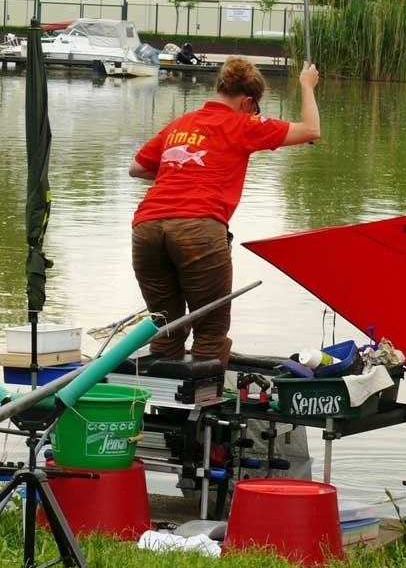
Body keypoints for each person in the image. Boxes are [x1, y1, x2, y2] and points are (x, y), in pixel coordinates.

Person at [129, 56, 320, 366]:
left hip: (147, 229)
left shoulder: (181, 123)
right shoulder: (244, 125)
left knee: (166, 327)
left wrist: (184, 171)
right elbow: (311, 129)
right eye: (255, 107)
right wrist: (306, 85)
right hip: (198, 230)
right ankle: (201, 410)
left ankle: (162, 408)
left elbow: (137, 168)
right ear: (247, 103)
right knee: (211, 329)